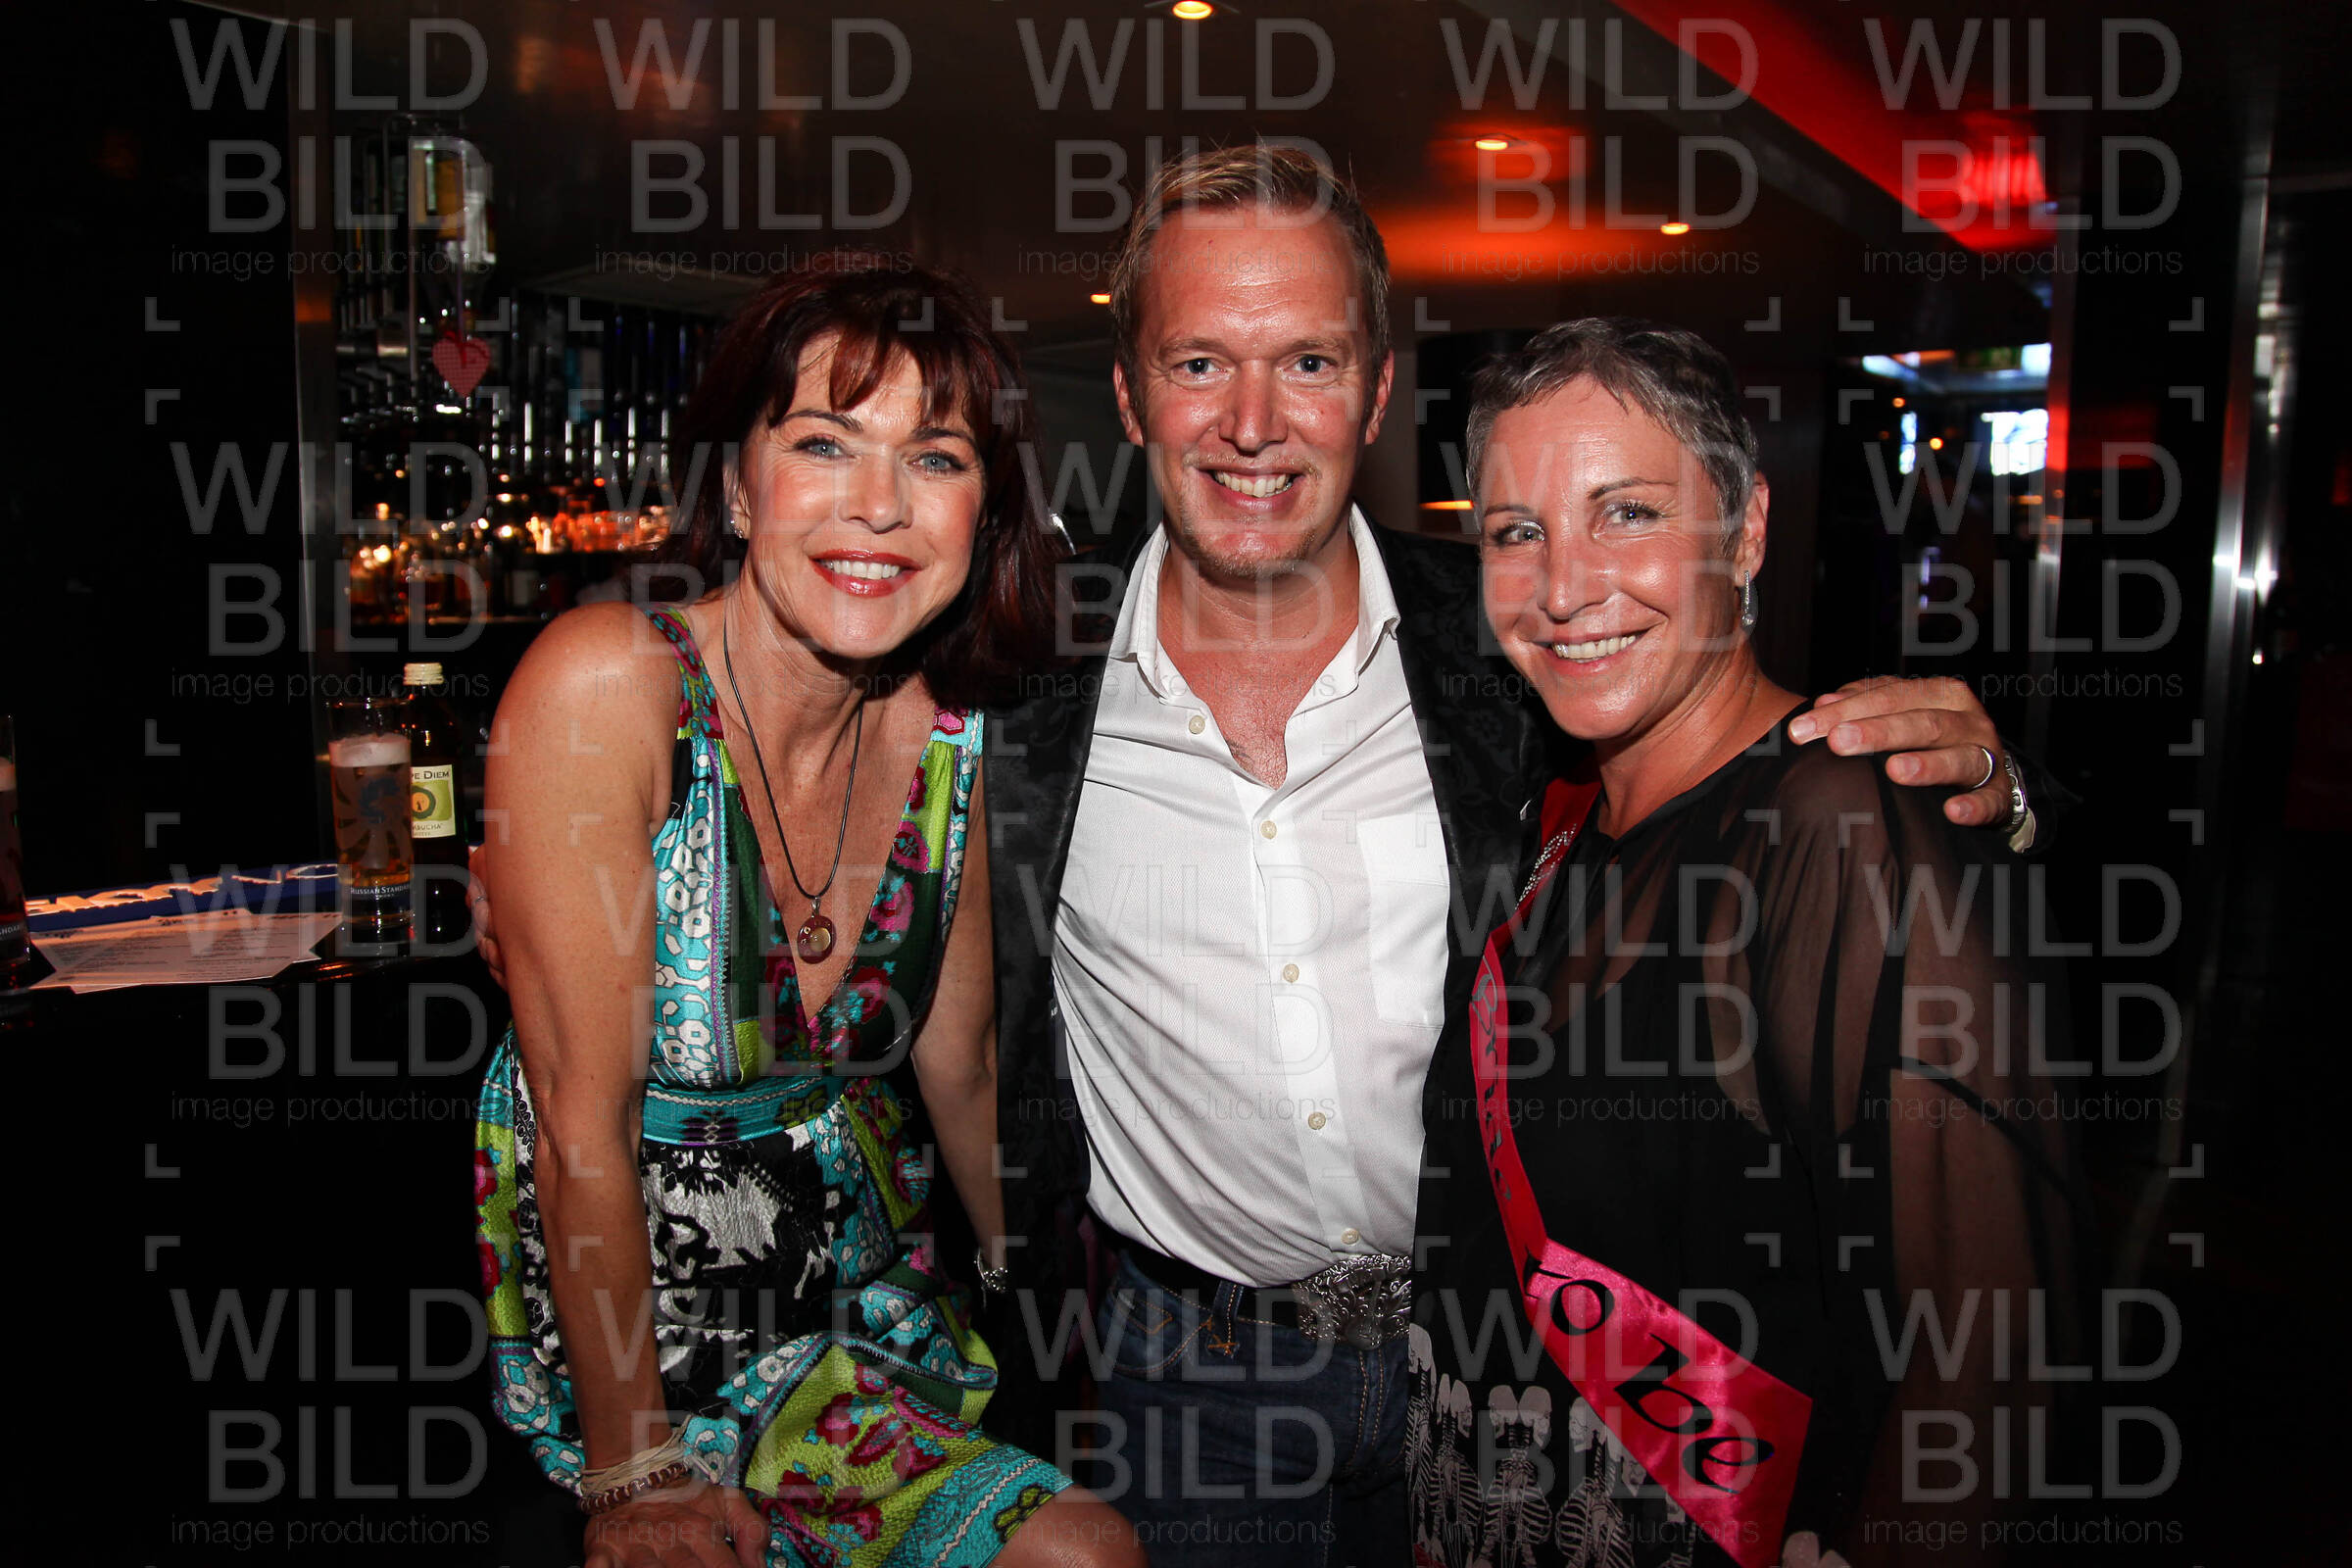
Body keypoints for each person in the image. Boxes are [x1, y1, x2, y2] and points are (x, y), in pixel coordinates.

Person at [980, 146, 2045, 1568]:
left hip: (1492, 1361)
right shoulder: (1015, 690)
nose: (1252, 422)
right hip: (1192, 1376)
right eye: (1198, 363)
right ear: (1129, 394)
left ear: (1374, 392)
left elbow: (1757, 783)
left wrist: (1995, 794)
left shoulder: (1502, 650)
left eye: (1308, 361)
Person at [468, 258, 1141, 1568]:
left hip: (864, 1311)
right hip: (632, 1329)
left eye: (935, 459)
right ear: (736, 485)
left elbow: (960, 1067)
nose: (879, 506)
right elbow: (578, 1128)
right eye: (824, 443)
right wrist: (637, 1474)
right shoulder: (611, 687)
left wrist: (1037, 1305)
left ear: (985, 510)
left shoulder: (952, 734)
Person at [1405, 319, 2078, 1568]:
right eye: (1515, 531)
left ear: (1749, 529)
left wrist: (2020, 798)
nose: (1564, 587)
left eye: (1627, 513)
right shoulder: (1558, 820)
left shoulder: (1839, 824)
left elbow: (1989, 1351)